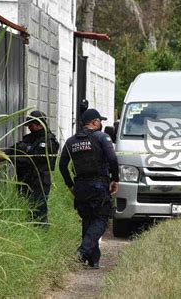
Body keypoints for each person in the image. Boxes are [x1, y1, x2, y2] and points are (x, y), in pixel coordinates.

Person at [59, 108, 119, 269]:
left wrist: (70, 185)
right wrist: (115, 179)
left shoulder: (71, 141)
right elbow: (113, 158)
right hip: (99, 185)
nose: (100, 124)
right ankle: (82, 251)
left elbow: (62, 165)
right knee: (101, 218)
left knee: (88, 220)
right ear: (94, 122)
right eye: (100, 121)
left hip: (81, 186)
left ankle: (93, 259)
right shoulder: (102, 137)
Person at [0, 110, 59, 225]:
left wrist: (10, 158)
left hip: (38, 181)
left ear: (40, 125)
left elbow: (33, 160)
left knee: (38, 212)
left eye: (31, 125)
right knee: (26, 211)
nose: (29, 128)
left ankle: (41, 234)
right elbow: (15, 149)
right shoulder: (29, 138)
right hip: (25, 181)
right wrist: (2, 154)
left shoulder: (49, 141)